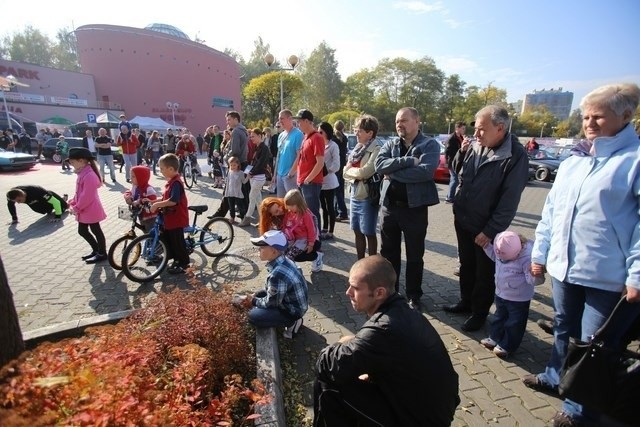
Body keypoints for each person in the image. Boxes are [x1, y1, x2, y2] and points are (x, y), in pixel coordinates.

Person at [522, 83, 640, 427]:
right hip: (564, 270)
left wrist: (636, 275)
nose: (589, 122)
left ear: (626, 116)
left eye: (598, 116)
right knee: (563, 329)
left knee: (594, 347)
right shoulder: (576, 161)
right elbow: (551, 212)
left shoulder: (633, 160)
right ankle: (554, 376)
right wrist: (540, 253)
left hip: (607, 277)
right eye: (586, 116)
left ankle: (578, 411)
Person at [313, 255, 459, 427]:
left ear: (379, 293)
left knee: (329, 383)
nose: (348, 293)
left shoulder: (383, 329)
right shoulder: (405, 311)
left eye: (355, 288)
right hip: (434, 411)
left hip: (418, 420)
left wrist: (341, 343)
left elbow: (325, 364)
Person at [445, 105, 528, 331]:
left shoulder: (516, 155)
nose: (477, 134)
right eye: (476, 128)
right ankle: (466, 302)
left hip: (486, 228)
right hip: (463, 219)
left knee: (484, 273)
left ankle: (479, 313)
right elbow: (457, 172)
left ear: (500, 128)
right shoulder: (475, 145)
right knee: (466, 265)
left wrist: (490, 231)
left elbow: (509, 201)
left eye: (482, 129)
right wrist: (461, 153)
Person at [375, 107, 440, 311]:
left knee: (414, 255)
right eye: (397, 121)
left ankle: (414, 295)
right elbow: (379, 165)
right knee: (388, 254)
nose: (399, 125)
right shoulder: (391, 143)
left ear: (417, 121)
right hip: (389, 209)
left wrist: (392, 173)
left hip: (415, 210)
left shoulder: (429, 145)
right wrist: (407, 162)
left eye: (403, 120)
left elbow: (425, 172)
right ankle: (391, 293)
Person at [480, 231, 544, 358]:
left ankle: (508, 345)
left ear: (517, 252)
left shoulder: (526, 258)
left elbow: (533, 281)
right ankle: (495, 337)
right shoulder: (501, 250)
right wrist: (486, 246)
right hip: (501, 293)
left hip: (518, 299)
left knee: (514, 323)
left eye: (506, 259)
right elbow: (494, 255)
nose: (502, 261)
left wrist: (536, 274)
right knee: (499, 317)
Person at [234, 230, 308, 339]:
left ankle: (292, 323)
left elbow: (271, 303)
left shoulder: (277, 274)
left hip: (292, 311)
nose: (259, 249)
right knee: (258, 294)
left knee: (253, 316)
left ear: (273, 251)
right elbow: (272, 291)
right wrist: (254, 297)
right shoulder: (284, 259)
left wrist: (253, 301)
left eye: (262, 247)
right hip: (292, 302)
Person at [343, 115, 382, 260]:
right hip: (354, 195)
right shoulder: (357, 149)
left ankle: (372, 266)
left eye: (359, 130)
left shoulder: (377, 150)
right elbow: (344, 173)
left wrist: (349, 172)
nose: (356, 133)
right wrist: (353, 173)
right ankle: (360, 264)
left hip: (367, 197)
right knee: (357, 231)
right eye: (355, 130)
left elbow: (366, 172)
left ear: (370, 133)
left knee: (369, 232)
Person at [149, 153, 190, 274]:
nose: (160, 171)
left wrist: (157, 205)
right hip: (169, 218)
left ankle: (183, 263)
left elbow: (173, 201)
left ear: (171, 169)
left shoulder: (176, 183)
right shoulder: (171, 182)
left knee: (178, 242)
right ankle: (176, 259)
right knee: (170, 240)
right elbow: (165, 198)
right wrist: (153, 201)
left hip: (177, 218)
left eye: (162, 168)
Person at [67, 147, 107, 264]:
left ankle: (102, 253)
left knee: (96, 230)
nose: (71, 164)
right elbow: (79, 193)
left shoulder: (89, 175)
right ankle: (97, 250)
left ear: (81, 161)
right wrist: (73, 201)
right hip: (85, 209)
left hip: (90, 209)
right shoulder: (83, 173)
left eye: (72, 162)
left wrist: (76, 208)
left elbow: (87, 196)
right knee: (83, 231)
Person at [294, 109, 325, 226]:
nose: (298, 124)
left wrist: (308, 179)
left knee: (312, 213)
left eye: (299, 121)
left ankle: (316, 240)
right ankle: (309, 239)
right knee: (304, 214)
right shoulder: (306, 137)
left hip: (311, 183)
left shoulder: (317, 137)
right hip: (303, 182)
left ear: (306, 121)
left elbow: (320, 162)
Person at [283, 189, 322, 271]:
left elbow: (311, 230)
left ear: (298, 204)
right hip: (295, 239)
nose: (290, 208)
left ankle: (316, 257)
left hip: (304, 239)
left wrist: (310, 244)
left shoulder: (306, 214)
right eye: (288, 206)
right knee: (285, 252)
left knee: (291, 255)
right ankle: (293, 268)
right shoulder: (290, 212)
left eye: (292, 206)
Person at [239, 128, 271, 227]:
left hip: (259, 177)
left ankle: (247, 218)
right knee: (258, 200)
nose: (251, 138)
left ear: (259, 136)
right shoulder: (256, 147)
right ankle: (264, 220)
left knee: (252, 198)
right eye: (250, 136)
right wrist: (248, 172)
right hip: (254, 177)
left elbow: (261, 163)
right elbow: (253, 162)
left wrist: (251, 172)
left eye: (253, 136)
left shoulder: (264, 148)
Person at [274, 109, 304, 197]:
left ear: (289, 119)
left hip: (290, 176)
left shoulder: (298, 135)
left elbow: (300, 155)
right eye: (279, 119)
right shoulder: (281, 135)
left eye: (282, 118)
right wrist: (275, 174)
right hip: (280, 174)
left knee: (293, 203)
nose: (280, 121)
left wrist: (291, 173)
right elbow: (278, 155)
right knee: (281, 203)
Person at [318, 122, 339, 240]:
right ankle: (325, 228)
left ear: (327, 132)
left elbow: (337, 164)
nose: (319, 134)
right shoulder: (319, 144)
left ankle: (331, 231)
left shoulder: (333, 145)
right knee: (323, 207)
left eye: (321, 132)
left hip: (330, 181)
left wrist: (327, 170)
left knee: (330, 206)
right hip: (320, 181)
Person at [123, 166, 158, 232]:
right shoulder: (135, 187)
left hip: (149, 216)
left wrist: (140, 201)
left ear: (141, 178)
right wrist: (128, 197)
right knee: (144, 229)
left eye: (133, 176)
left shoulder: (148, 189)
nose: (131, 178)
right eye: (131, 176)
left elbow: (152, 199)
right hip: (140, 214)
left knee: (150, 231)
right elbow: (129, 192)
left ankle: (151, 241)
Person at [444, 121, 466, 203]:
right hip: (452, 162)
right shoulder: (452, 138)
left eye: (464, 129)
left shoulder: (461, 137)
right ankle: (450, 198)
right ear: (457, 128)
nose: (464, 130)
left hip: (459, 161)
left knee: (456, 179)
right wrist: (446, 162)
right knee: (455, 179)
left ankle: (449, 196)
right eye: (463, 128)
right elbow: (447, 151)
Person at [223, 156, 247, 224]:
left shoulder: (241, 173)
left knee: (240, 206)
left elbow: (244, 182)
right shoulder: (229, 171)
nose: (232, 166)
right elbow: (228, 181)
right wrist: (226, 191)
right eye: (231, 165)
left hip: (237, 193)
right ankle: (232, 217)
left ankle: (243, 218)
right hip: (230, 192)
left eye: (234, 165)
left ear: (238, 164)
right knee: (231, 206)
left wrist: (248, 177)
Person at [333, 120, 349, 221]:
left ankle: (342, 212)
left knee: (336, 191)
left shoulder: (334, 139)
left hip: (336, 166)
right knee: (340, 190)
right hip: (342, 165)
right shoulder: (345, 138)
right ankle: (338, 211)